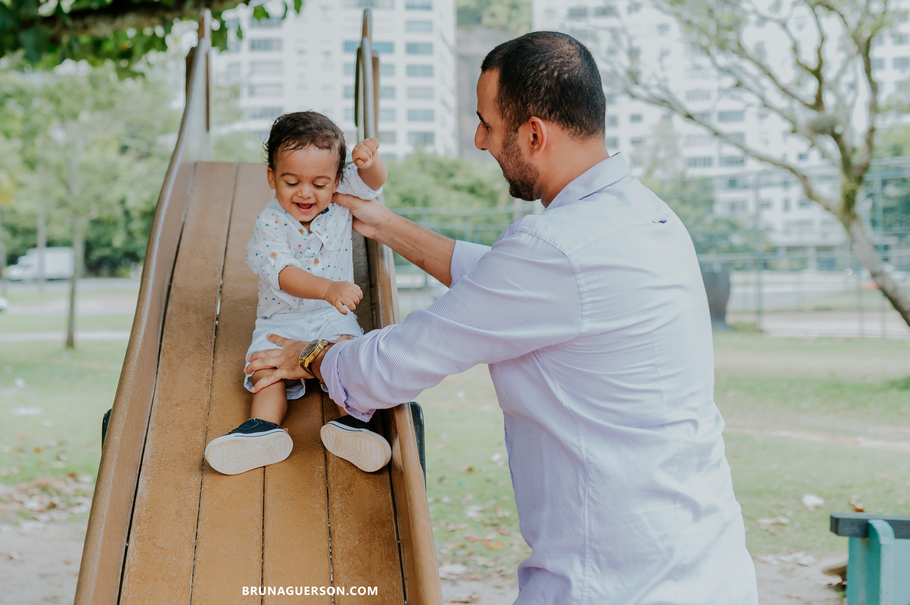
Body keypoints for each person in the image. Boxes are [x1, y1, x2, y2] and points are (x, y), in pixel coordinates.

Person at [245, 33, 759, 604]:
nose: (479, 139)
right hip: (706, 563)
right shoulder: (646, 217)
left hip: (611, 581)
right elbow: (501, 278)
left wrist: (309, 354)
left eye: (487, 123)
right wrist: (386, 226)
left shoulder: (554, 249)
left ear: (534, 134)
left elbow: (404, 357)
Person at [203, 111, 394, 476]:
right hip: (281, 321)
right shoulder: (269, 222)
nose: (306, 193)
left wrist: (371, 162)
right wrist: (328, 288)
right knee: (266, 369)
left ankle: (355, 425)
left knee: (349, 356)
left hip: (331, 318)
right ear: (272, 177)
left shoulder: (339, 200)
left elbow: (373, 182)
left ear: (338, 179)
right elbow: (284, 273)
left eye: (320, 184)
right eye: (292, 182)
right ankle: (263, 429)